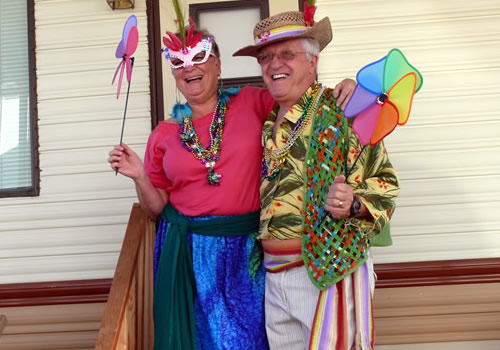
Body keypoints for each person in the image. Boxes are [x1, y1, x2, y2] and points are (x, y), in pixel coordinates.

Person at [108, 14, 356, 350]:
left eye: (198, 57)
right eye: (178, 62)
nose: (188, 68)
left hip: (251, 249)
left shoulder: (254, 102)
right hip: (193, 255)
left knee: (254, 339)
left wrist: (347, 89)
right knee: (203, 341)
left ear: (218, 64)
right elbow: (157, 209)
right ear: (174, 75)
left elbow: (302, 99)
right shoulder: (163, 135)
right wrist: (139, 175)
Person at [233, 5, 400, 350]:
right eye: (265, 57)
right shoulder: (268, 123)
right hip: (274, 276)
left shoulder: (344, 111)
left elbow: (384, 183)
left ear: (313, 61)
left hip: (327, 272)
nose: (274, 64)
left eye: (286, 54)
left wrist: (353, 204)